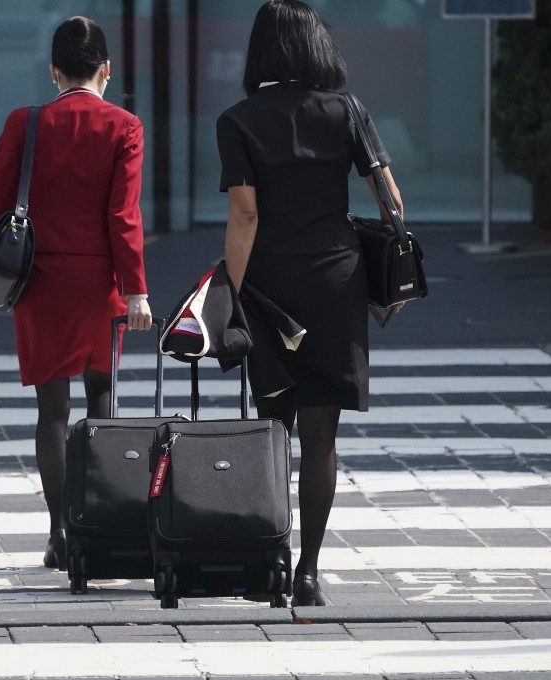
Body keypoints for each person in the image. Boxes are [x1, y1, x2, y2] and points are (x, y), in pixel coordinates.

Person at [0, 16, 152, 570]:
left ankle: (59, 532)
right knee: (101, 406)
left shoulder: (25, 122)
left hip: (37, 283)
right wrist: (136, 291)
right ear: (105, 70)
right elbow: (123, 217)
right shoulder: (125, 127)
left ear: (54, 71)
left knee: (51, 413)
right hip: (99, 285)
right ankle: (97, 527)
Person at [217, 0, 405, 606]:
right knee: (322, 438)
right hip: (336, 283)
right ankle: (309, 572)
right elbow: (391, 202)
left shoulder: (238, 120)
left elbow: (245, 215)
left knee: (275, 432)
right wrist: (392, 272)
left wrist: (230, 292)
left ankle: (271, 561)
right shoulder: (348, 110)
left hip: (270, 289)